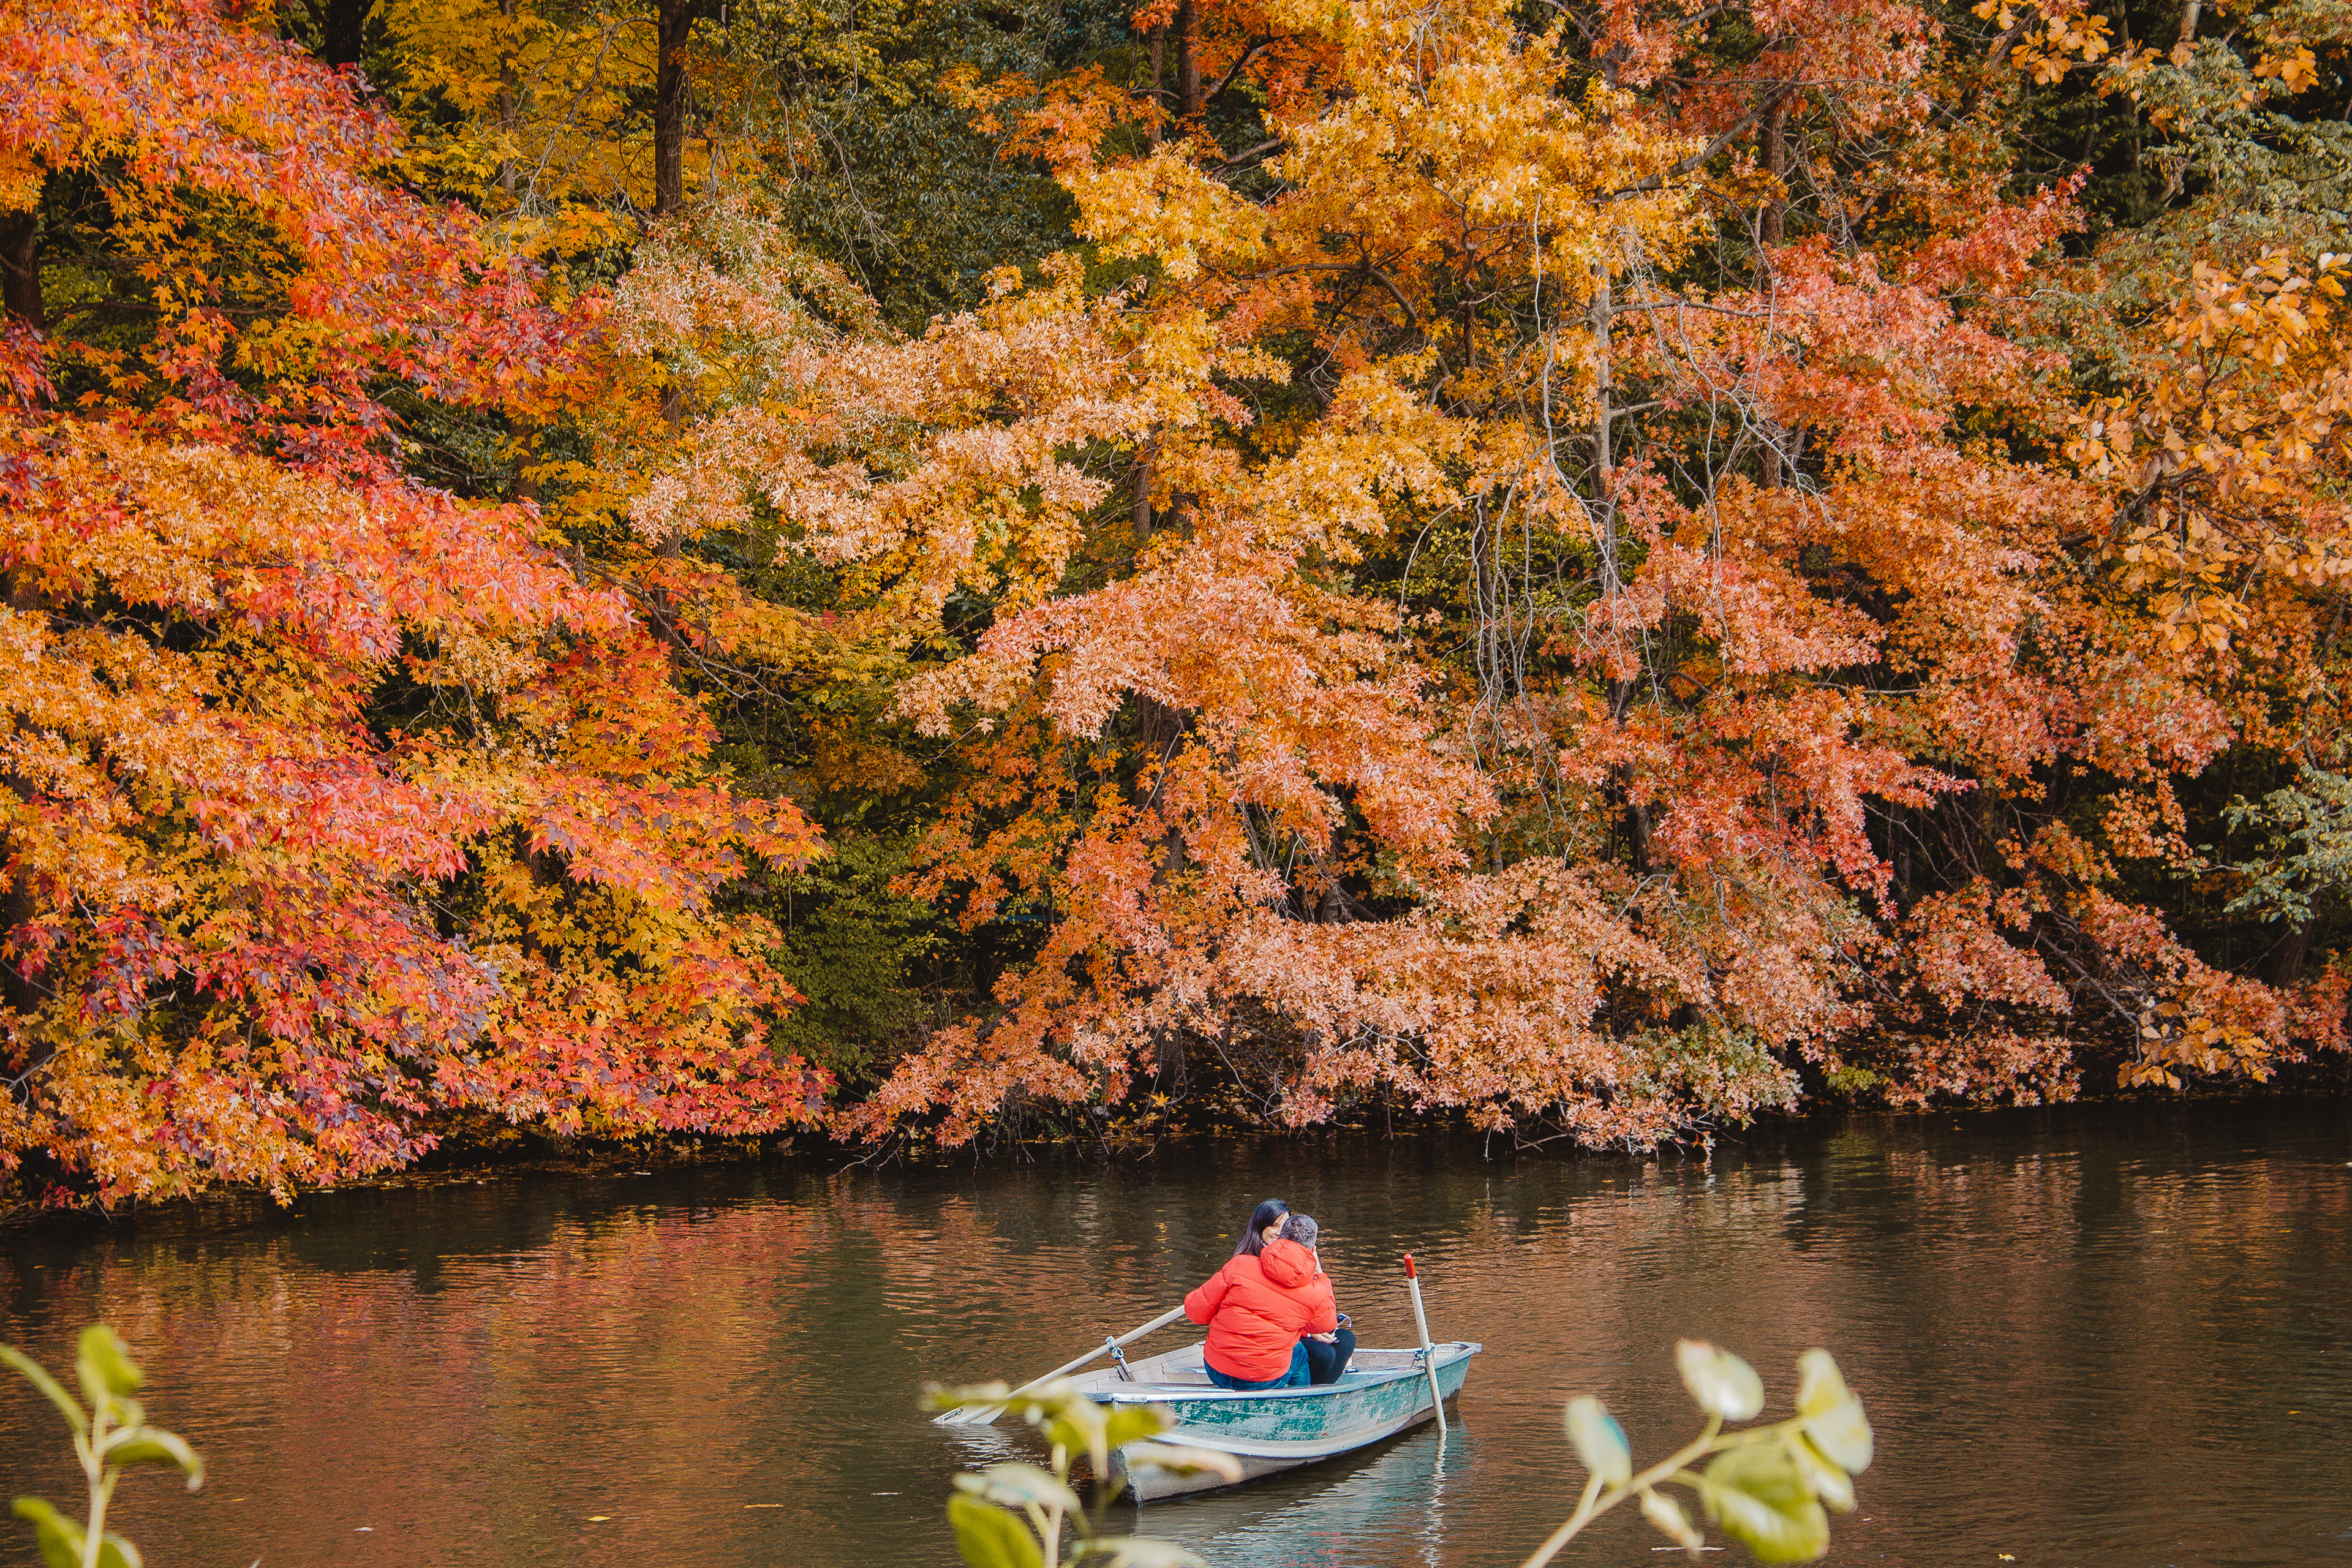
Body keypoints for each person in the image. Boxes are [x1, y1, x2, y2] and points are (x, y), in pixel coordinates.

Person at [1183, 1198, 1338, 1390]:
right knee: (1299, 1353)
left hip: (1216, 1370)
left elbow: (1195, 1313)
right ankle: (1299, 1401)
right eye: (1274, 1225)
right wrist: (1321, 1277)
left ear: (1283, 1238)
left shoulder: (1239, 1264)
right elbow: (1327, 1325)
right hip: (1263, 1379)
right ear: (1313, 1250)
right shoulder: (1315, 1291)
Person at [1281, 1214, 1356, 1384]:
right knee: (1324, 1354)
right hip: (1281, 1340)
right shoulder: (1274, 1268)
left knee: (1346, 1340)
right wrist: (1308, 1333)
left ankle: (1319, 1394)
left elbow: (1325, 1322)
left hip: (1297, 1331)